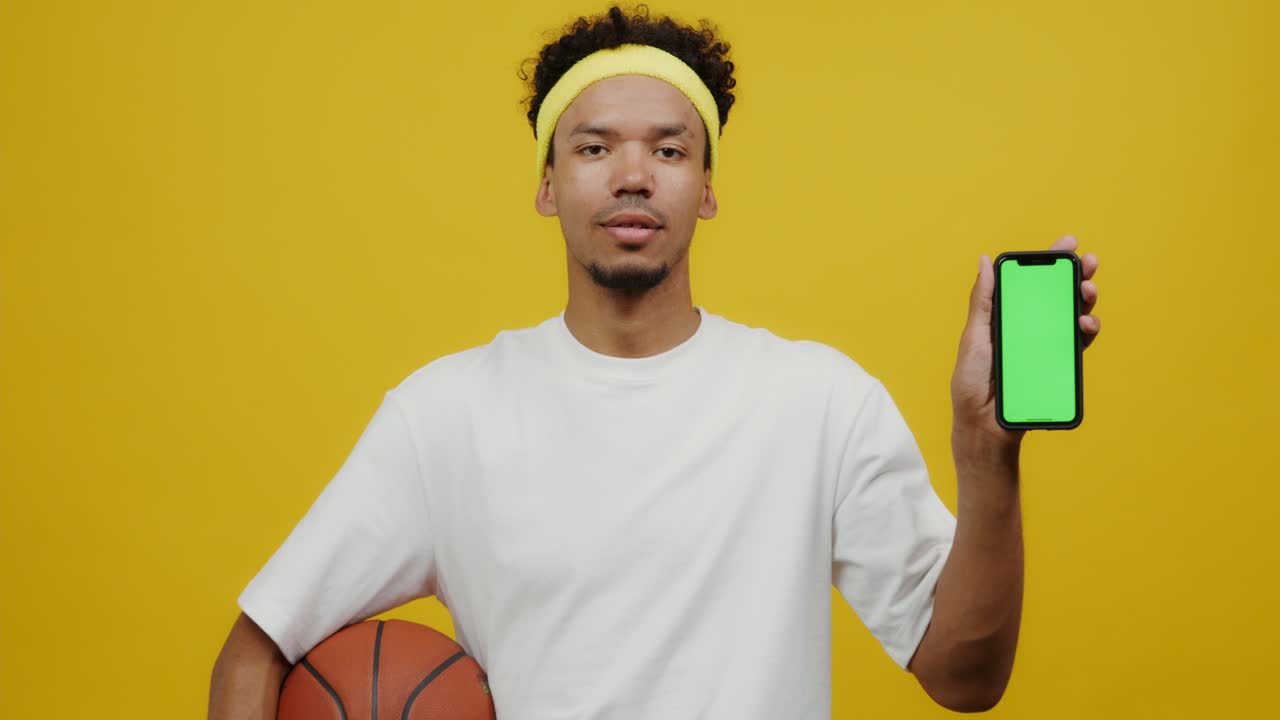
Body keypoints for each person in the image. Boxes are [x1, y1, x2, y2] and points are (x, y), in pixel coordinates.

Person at [208, 4, 1103, 718]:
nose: (632, 174)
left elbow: (965, 676)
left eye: (669, 149)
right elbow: (256, 648)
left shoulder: (817, 403)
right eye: (594, 147)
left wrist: (988, 456)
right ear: (548, 185)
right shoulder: (444, 416)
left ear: (706, 189)